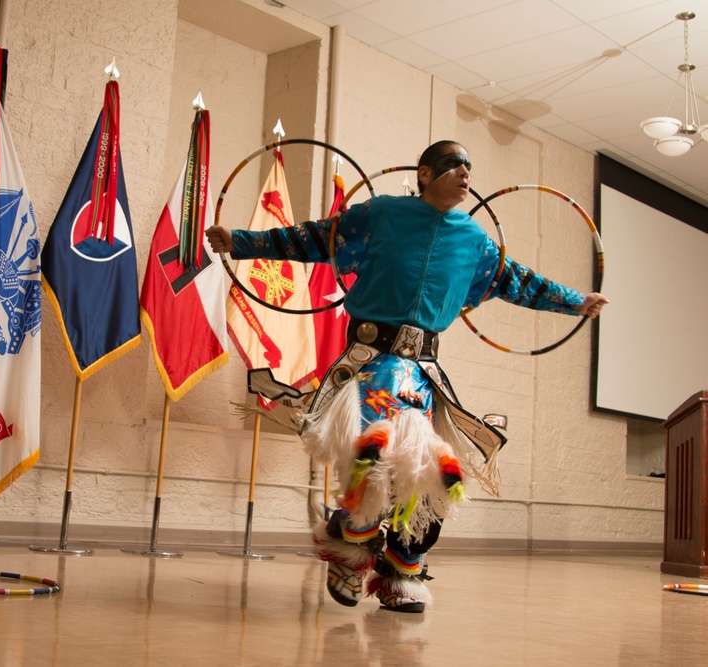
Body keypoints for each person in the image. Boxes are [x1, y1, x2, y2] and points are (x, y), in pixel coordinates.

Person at [206, 140, 607, 613]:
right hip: (368, 363)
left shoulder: (475, 241)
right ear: (423, 173)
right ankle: (349, 550)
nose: (465, 173)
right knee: (373, 460)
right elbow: (315, 237)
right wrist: (242, 241)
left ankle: (400, 573)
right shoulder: (380, 215)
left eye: (469, 166)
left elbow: (519, 281)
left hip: (421, 376)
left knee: (432, 475)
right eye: (453, 164)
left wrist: (574, 301)